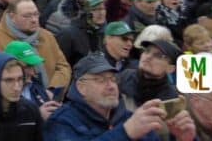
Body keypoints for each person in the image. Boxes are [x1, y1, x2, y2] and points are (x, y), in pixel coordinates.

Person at [43, 53, 196, 141]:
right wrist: (125, 133)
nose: (110, 86)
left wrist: (183, 138)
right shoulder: (62, 122)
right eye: (100, 80)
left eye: (112, 79)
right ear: (81, 87)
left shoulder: (129, 118)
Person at [0, 0, 71, 91]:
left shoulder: (47, 36)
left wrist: (52, 90)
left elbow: (63, 67)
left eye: (36, 14)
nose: (34, 20)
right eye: (27, 16)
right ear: (12, 16)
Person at [117, 40, 181, 115]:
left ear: (170, 69)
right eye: (147, 51)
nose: (148, 56)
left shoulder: (171, 97)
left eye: (159, 56)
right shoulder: (125, 76)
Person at [56, 0, 106, 68]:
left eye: (103, 8)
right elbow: (59, 65)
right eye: (95, 9)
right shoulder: (67, 34)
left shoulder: (104, 33)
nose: (101, 13)